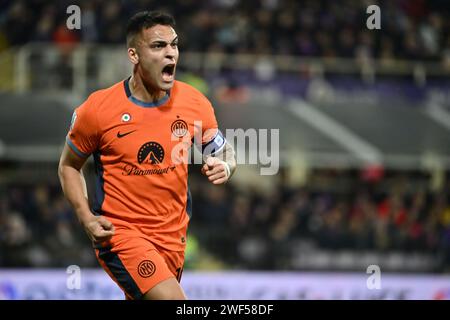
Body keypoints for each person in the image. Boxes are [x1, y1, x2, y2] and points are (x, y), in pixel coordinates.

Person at [58, 11, 236, 300]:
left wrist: (225, 166)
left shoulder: (194, 103)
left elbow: (224, 150)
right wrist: (86, 217)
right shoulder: (98, 110)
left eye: (174, 45)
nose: (170, 54)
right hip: (121, 236)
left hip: (173, 239)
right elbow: (68, 166)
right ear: (134, 55)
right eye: (158, 46)